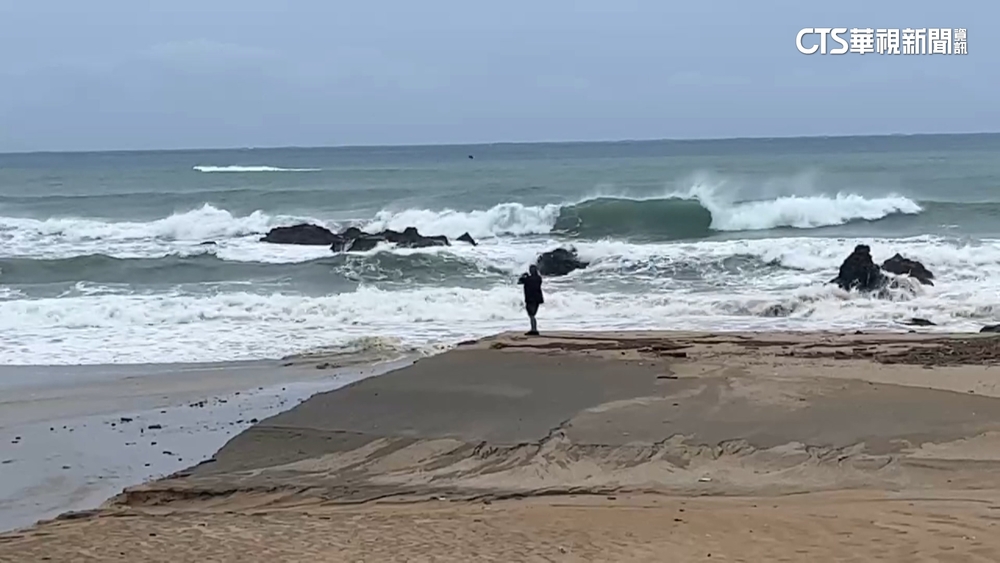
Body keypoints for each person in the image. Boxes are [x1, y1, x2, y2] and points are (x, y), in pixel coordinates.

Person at [517, 264, 544, 336]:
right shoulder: (538, 278)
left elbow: (519, 282)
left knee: (531, 315)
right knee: (533, 314)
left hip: (530, 298)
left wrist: (523, 276)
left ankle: (534, 329)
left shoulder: (528, 279)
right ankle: (534, 328)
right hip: (538, 298)